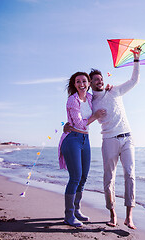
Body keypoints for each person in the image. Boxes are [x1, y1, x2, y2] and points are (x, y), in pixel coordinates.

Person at [90, 47, 141, 229]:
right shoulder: (91, 102)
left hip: (128, 138)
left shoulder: (115, 91)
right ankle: (112, 213)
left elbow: (134, 80)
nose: (100, 81)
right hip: (109, 140)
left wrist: (136, 59)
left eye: (101, 79)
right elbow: (83, 119)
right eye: (96, 80)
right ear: (90, 83)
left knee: (130, 174)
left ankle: (129, 216)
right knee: (109, 178)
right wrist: (95, 115)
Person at [58, 72, 106, 227]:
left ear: (89, 83)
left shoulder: (91, 98)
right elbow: (78, 124)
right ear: (74, 84)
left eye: (84, 81)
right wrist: (95, 116)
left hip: (86, 140)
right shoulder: (73, 100)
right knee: (75, 177)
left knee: (84, 177)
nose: (81, 84)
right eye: (78, 81)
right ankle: (68, 215)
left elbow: (103, 95)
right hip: (72, 139)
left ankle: (77, 210)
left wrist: (108, 87)